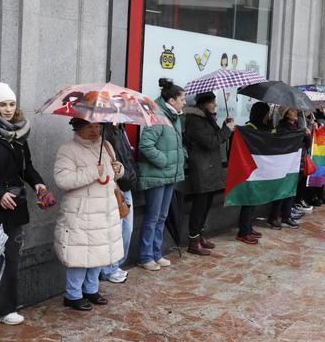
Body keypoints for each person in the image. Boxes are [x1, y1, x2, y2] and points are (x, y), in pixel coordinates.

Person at [0, 79, 48, 334]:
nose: (8, 109)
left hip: (15, 206)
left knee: (10, 259)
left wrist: (38, 185)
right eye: (2, 104)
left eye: (11, 103)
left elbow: (27, 167)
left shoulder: (19, 133)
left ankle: (6, 309)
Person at [53, 119, 124, 311]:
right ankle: (73, 294)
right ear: (78, 128)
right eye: (89, 127)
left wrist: (118, 170)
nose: (95, 131)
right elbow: (63, 179)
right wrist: (93, 172)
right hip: (81, 212)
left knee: (99, 252)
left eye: (98, 126)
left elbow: (112, 176)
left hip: (104, 211)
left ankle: (91, 290)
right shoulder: (68, 149)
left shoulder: (106, 145)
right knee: (79, 254)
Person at [137, 79, 186, 271]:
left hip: (169, 176)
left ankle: (156, 253)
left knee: (162, 216)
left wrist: (182, 155)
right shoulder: (158, 117)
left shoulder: (174, 118)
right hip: (157, 176)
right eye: (182, 99)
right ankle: (145, 256)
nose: (184, 102)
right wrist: (164, 161)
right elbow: (145, 145)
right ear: (172, 100)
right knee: (152, 217)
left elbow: (176, 144)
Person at [184, 92, 234, 255]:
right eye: (212, 103)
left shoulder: (207, 118)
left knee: (206, 205)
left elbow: (214, 136)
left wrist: (224, 126)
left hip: (211, 168)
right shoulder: (194, 120)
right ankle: (193, 241)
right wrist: (226, 130)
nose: (215, 106)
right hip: (202, 169)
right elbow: (210, 142)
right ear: (204, 104)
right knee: (199, 206)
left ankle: (200, 236)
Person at [99, 124, 137, 284]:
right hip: (113, 187)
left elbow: (126, 157)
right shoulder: (103, 131)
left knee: (127, 228)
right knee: (114, 230)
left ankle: (116, 264)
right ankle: (108, 268)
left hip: (126, 183)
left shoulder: (121, 129)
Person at [268, 107, 311, 228]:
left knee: (291, 190)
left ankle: (287, 215)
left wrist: (307, 135)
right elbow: (287, 141)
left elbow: (306, 145)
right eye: (292, 110)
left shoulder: (297, 126)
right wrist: (300, 133)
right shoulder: (282, 127)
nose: (295, 112)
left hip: (297, 163)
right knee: (282, 190)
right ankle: (274, 216)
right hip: (285, 163)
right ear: (286, 114)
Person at [237, 102, 272, 244]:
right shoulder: (249, 128)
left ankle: (248, 228)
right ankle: (243, 232)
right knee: (248, 200)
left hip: (259, 170)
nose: (268, 117)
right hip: (249, 170)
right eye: (266, 114)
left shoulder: (262, 127)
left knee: (253, 200)